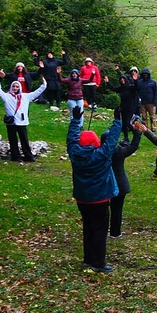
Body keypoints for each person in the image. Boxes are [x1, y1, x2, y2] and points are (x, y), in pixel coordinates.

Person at [67, 106, 123, 272]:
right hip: (100, 199)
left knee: (88, 227)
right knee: (99, 230)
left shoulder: (74, 152)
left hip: (82, 199)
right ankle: (98, 263)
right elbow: (112, 140)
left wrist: (75, 120)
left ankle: (88, 258)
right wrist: (118, 120)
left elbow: (71, 139)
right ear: (95, 142)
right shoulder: (101, 154)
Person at [0, 76, 48, 162]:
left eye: (17, 86)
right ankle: (16, 157)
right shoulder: (6, 96)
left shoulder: (26, 96)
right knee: (13, 140)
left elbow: (37, 92)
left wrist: (44, 85)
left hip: (22, 121)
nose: (15, 88)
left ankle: (28, 156)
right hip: (11, 122)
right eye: (13, 86)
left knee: (24, 140)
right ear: (11, 87)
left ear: (19, 87)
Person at [109, 109, 141, 239]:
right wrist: (136, 132)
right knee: (117, 210)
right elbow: (133, 146)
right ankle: (115, 232)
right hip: (119, 184)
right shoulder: (118, 153)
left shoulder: (98, 152)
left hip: (103, 184)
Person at [112, 69, 141, 142]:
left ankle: (137, 132)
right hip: (123, 108)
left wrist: (135, 80)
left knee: (127, 123)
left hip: (130, 108)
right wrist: (107, 82)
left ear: (126, 80)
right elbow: (114, 89)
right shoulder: (121, 88)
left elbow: (137, 88)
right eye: (121, 80)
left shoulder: (130, 87)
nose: (122, 81)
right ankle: (126, 138)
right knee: (124, 124)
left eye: (123, 79)